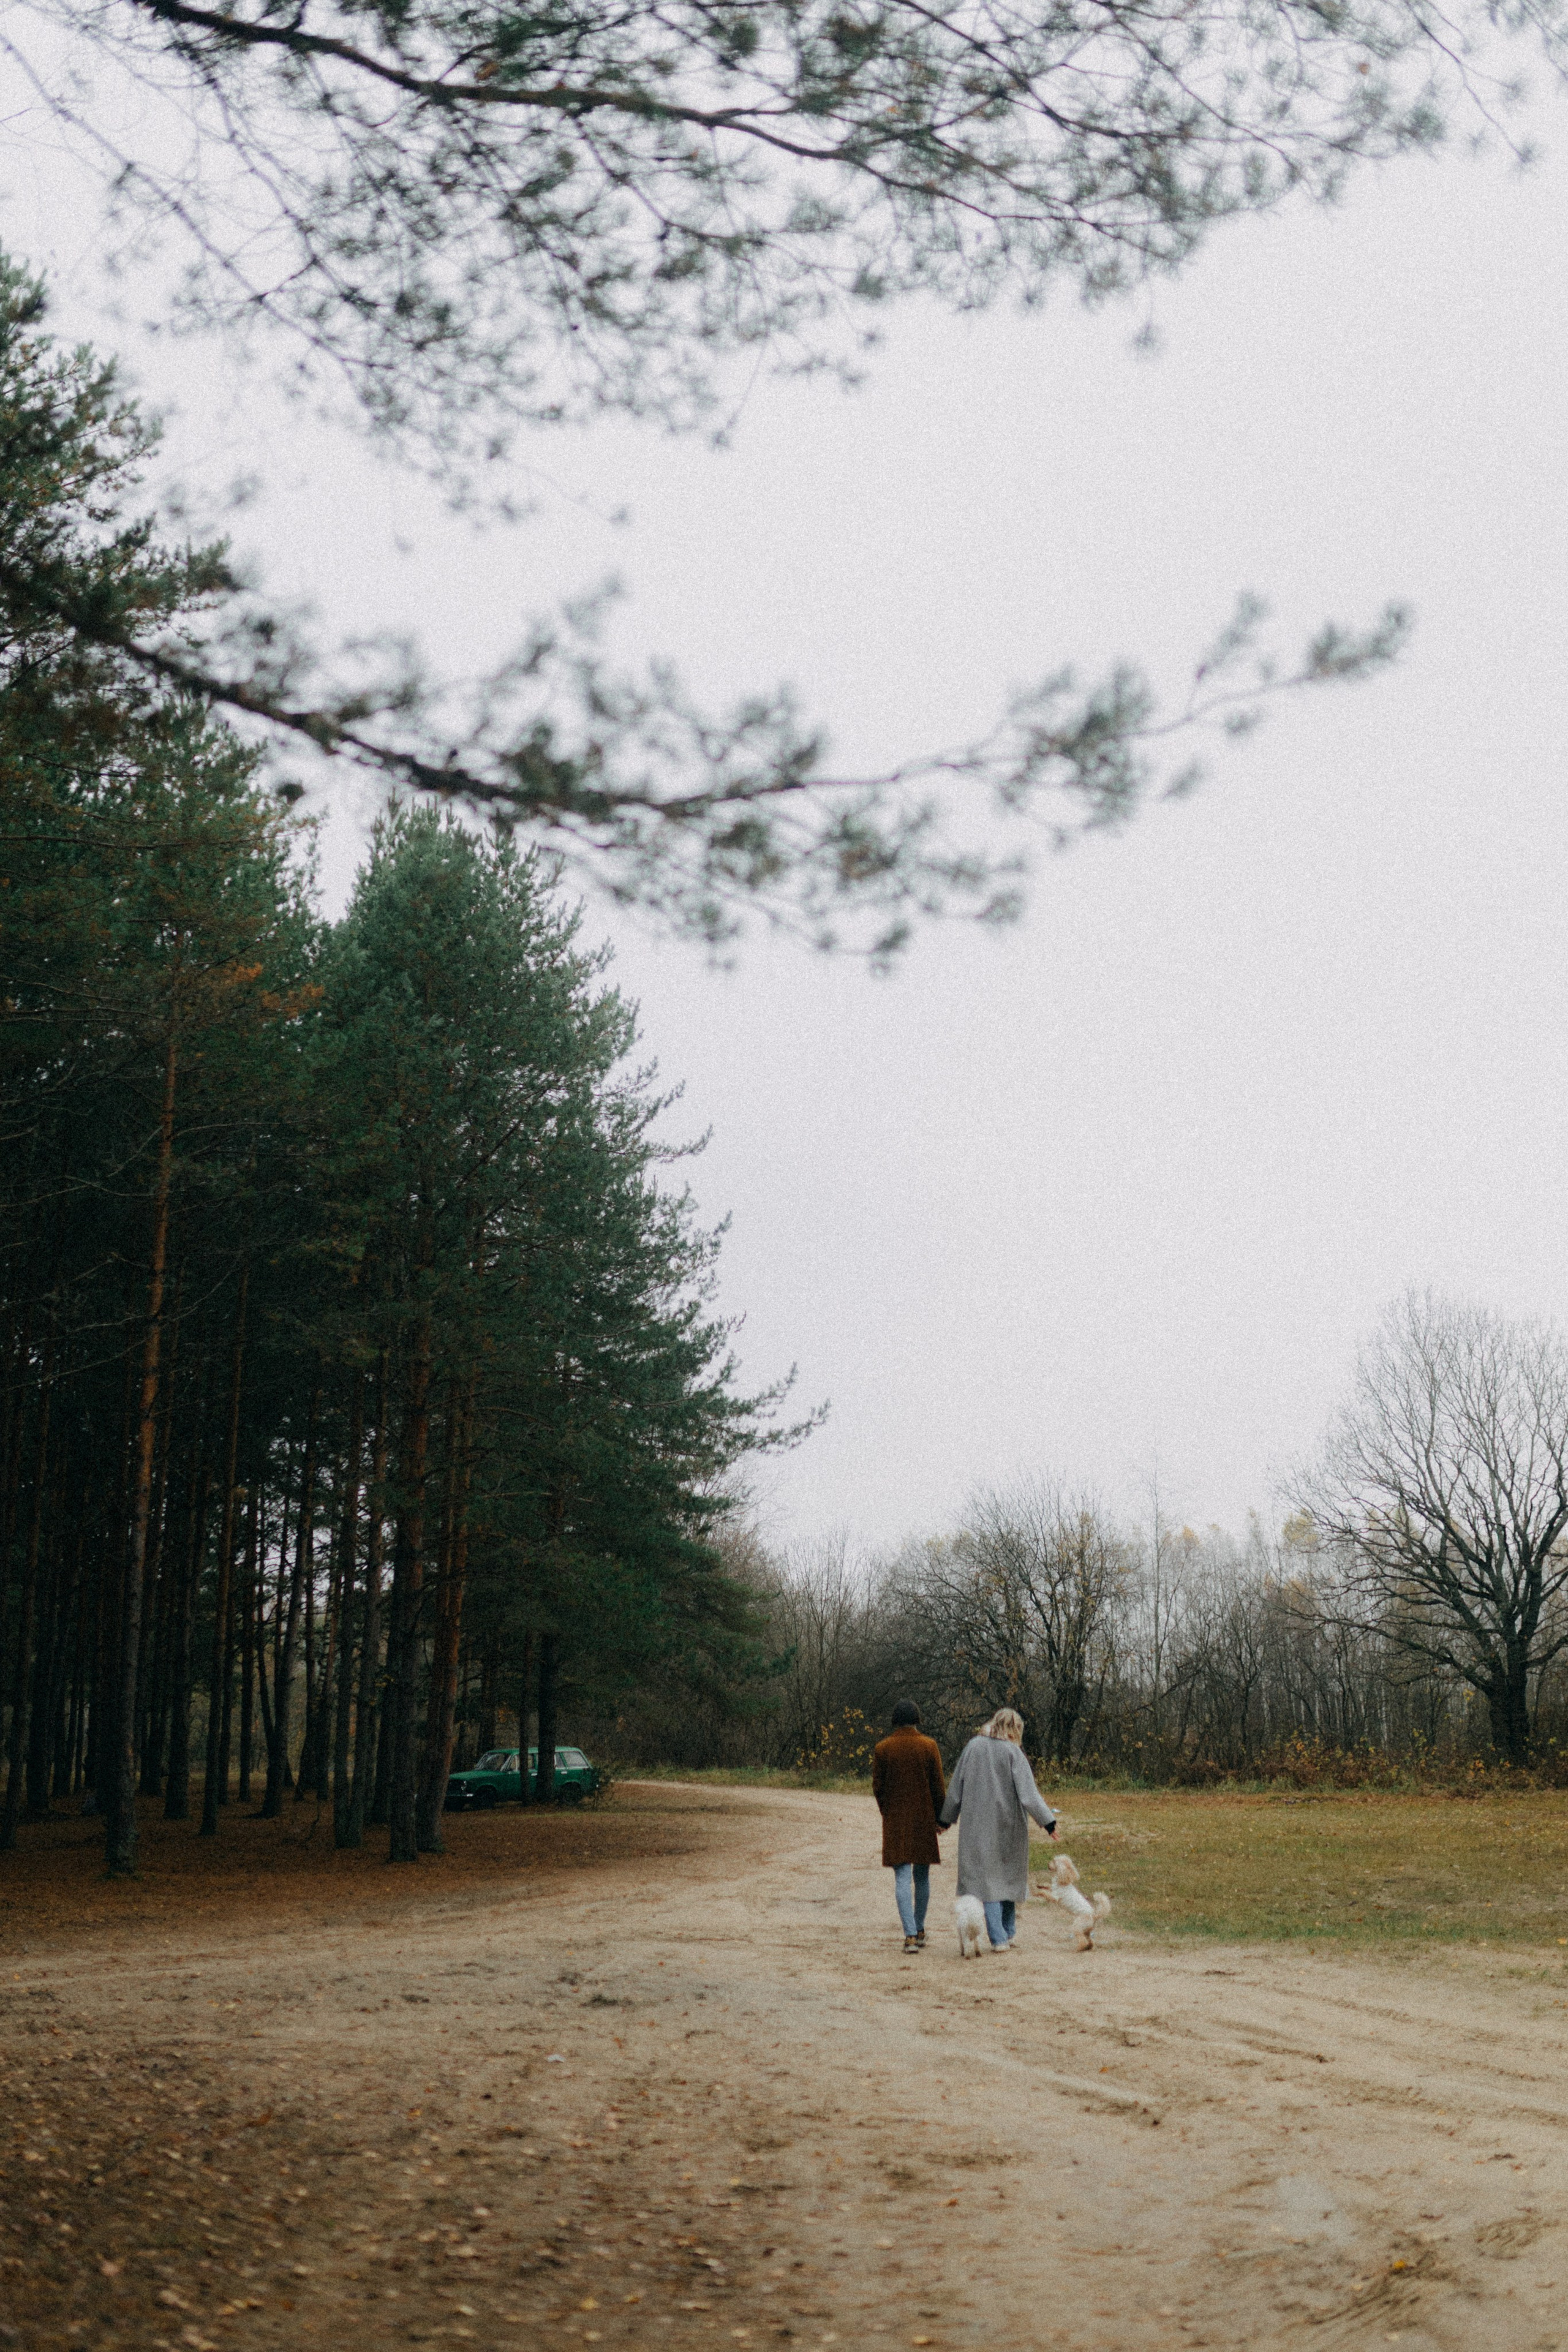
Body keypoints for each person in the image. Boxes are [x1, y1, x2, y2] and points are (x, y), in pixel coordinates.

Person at [939, 1706, 1059, 1950]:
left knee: (987, 1881)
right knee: (1005, 1878)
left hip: (976, 1826)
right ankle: (1002, 1936)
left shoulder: (973, 1747)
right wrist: (1049, 1822)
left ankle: (1004, 1934)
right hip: (1008, 1826)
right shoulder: (1013, 1753)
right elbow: (1029, 1794)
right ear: (1016, 1730)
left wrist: (945, 1819)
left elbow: (956, 1789)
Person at [871, 1701, 947, 1954]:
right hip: (924, 1819)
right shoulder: (928, 1746)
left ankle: (910, 1935)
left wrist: (887, 1812)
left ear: (895, 1719)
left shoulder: (883, 1749)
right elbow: (938, 1787)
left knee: (902, 1877)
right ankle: (921, 1927)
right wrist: (940, 1818)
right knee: (922, 1876)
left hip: (896, 1820)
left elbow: (878, 1788)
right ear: (917, 1718)